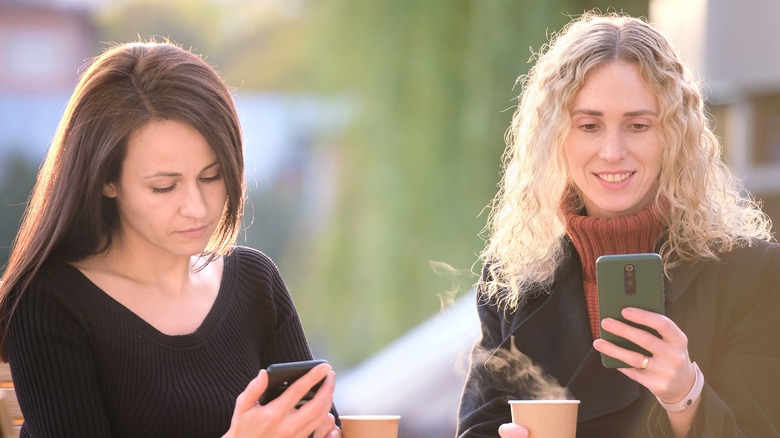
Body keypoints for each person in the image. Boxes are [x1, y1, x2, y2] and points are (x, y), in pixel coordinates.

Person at [457, 11, 780, 438]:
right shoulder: (512, 283)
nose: (613, 151)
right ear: (555, 136)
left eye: (638, 125)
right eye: (589, 125)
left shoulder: (750, 275)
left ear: (675, 135)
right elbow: (479, 427)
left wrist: (686, 394)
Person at [0, 40, 341, 438]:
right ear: (107, 181)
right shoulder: (49, 303)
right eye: (164, 187)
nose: (196, 208)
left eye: (211, 177)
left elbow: (321, 423)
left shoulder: (254, 280)